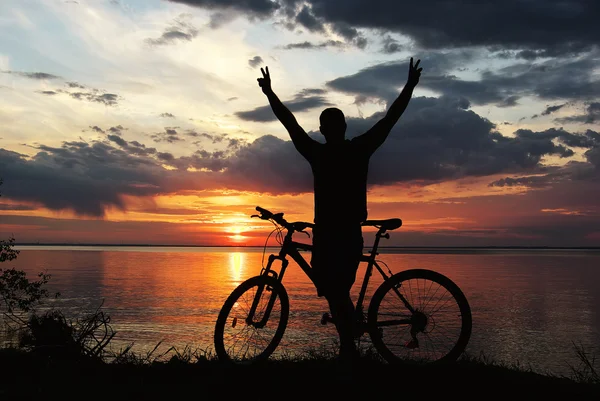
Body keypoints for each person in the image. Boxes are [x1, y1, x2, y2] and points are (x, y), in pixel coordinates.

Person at [257, 58, 423, 362]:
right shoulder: (357, 148)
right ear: (339, 127)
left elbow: (290, 123)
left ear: (323, 130)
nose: (332, 129)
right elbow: (390, 118)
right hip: (337, 234)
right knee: (334, 292)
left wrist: (270, 94)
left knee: (335, 292)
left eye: (332, 125)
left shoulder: (318, 152)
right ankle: (349, 343)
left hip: (338, 234)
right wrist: (409, 86)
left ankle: (348, 350)